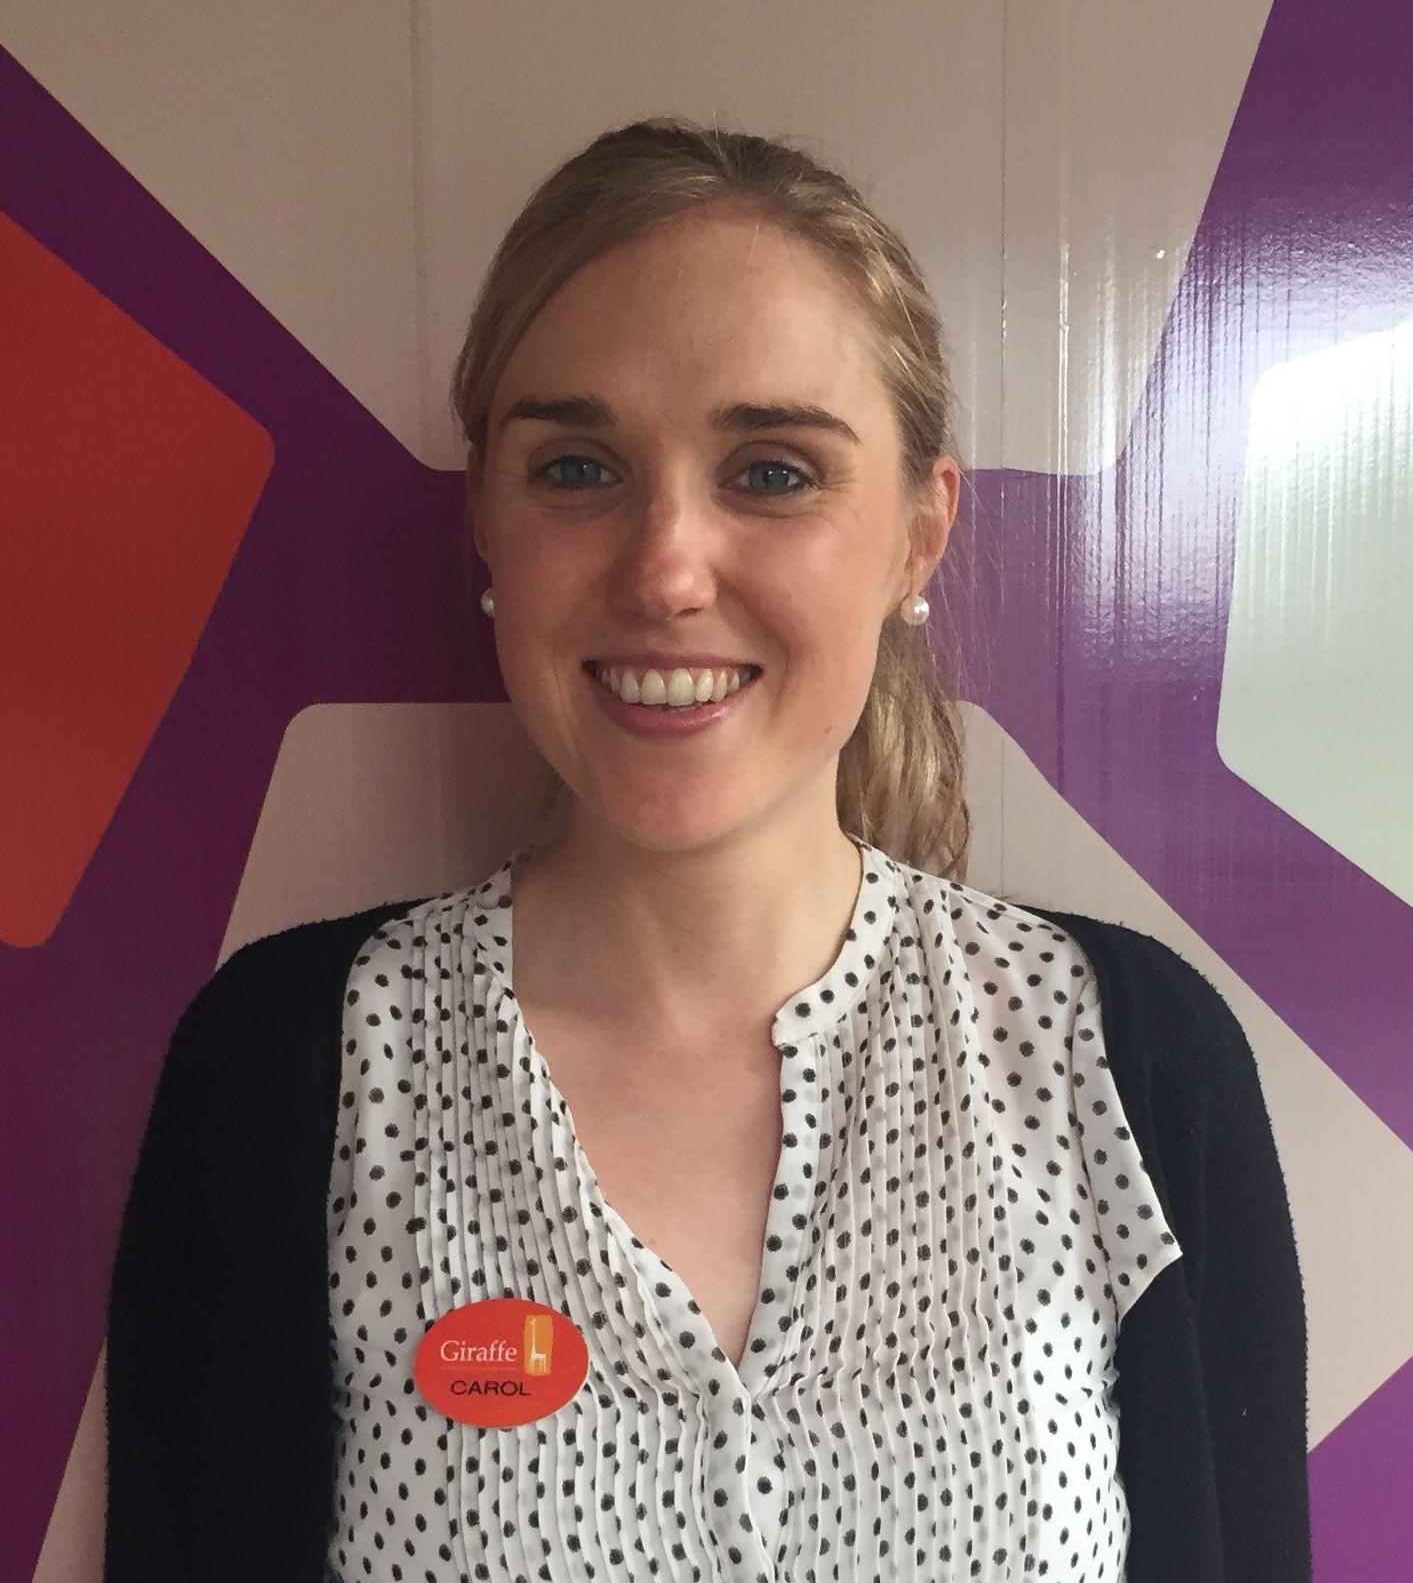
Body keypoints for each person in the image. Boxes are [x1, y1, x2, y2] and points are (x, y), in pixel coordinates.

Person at [104, 118, 1310, 1583]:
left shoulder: (1126, 1063)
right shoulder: (292, 1072)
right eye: (576, 467)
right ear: (486, 520)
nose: (666, 569)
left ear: (918, 534)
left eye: (773, 472)